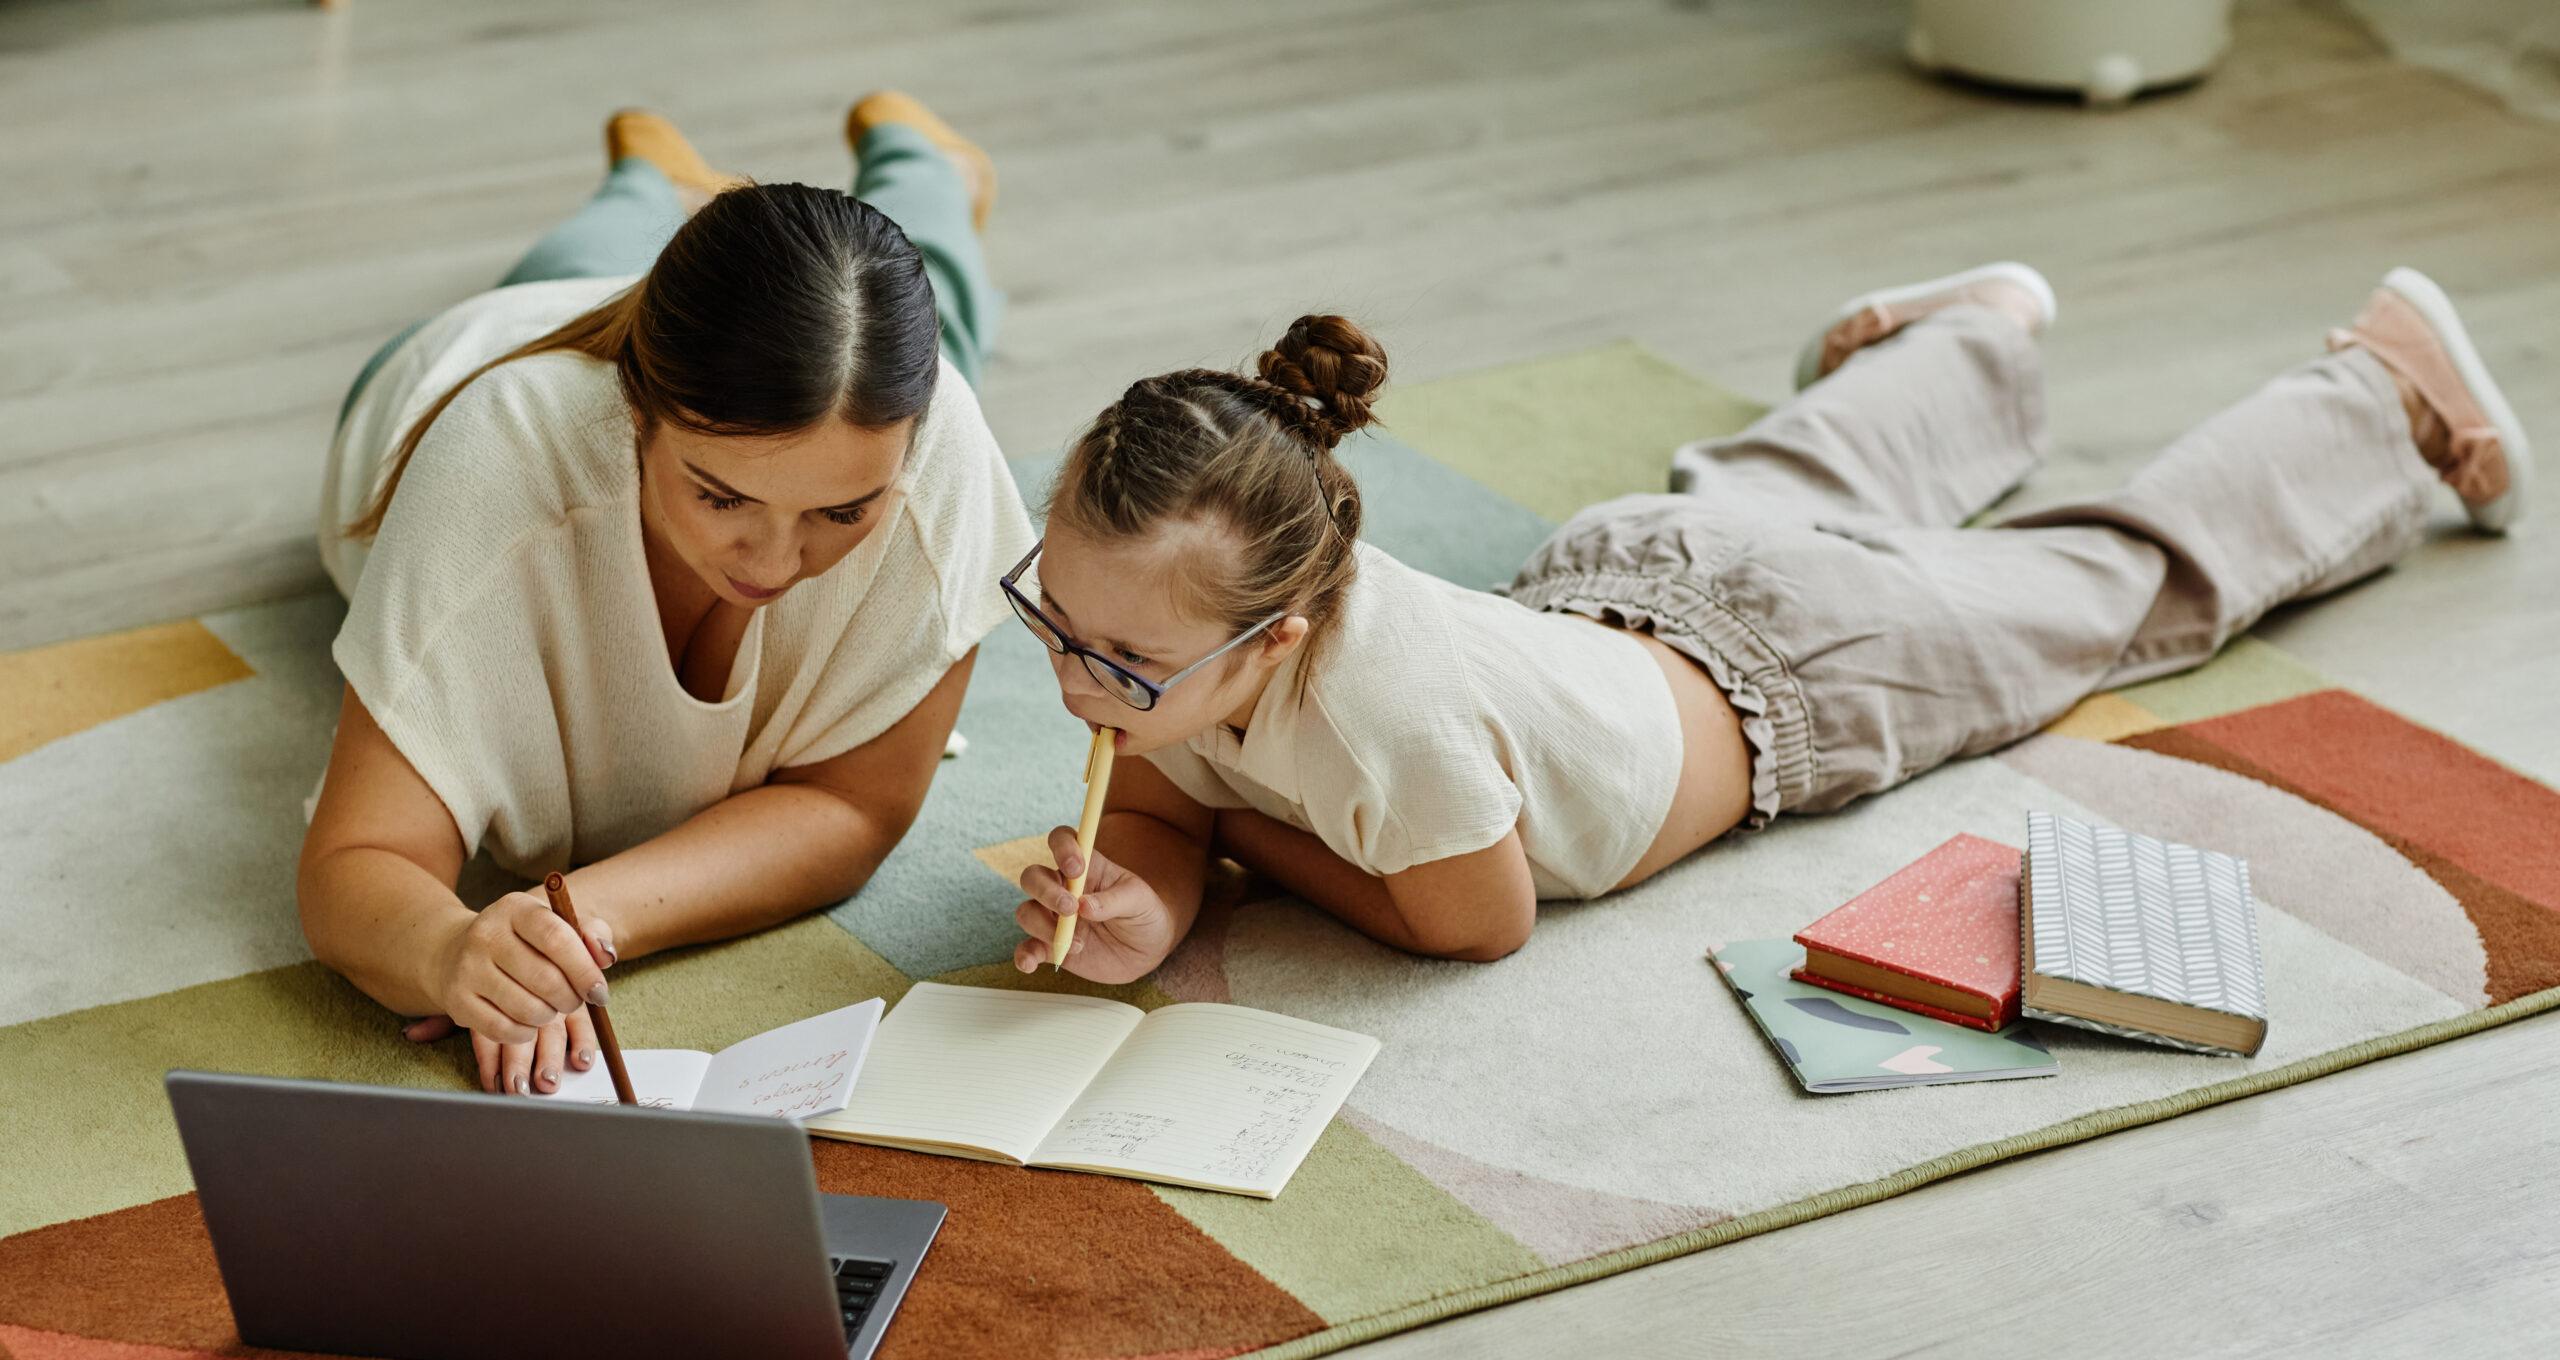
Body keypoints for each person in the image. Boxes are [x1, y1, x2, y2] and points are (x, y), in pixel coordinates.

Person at [1001, 266, 2530, 982]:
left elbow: (1471, 922)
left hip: (1806, 673)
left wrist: (1222, 847)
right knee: (1791, 488)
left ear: (1277, 639)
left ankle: (2380, 395)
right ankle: (1967, 339)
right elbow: (1151, 787)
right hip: (1624, 577)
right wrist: (1145, 900)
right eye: (1051, 619)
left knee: (2112, 590)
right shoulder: (1175, 649)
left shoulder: (1384, 725)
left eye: (1121, 664)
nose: (1078, 680)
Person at [301, 97, 1033, 1096]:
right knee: (574, 266)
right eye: (721, 495)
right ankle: (649, 182)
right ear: (636, 413)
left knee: (937, 294)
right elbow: (357, 858)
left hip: (772, 357)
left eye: (840, 513)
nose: (774, 564)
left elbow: (852, 808)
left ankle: (929, 162)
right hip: (455, 364)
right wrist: (446, 949)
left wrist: (569, 925)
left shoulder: (936, 450)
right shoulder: (497, 465)